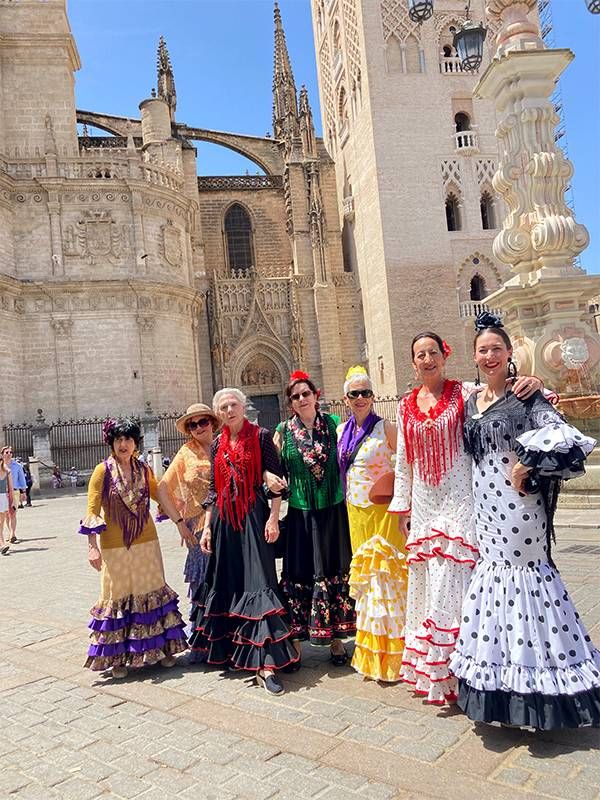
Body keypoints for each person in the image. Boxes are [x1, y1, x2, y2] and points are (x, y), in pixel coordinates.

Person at [449, 313, 600, 729]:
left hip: (519, 511)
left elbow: (565, 436)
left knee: (525, 584)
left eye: (497, 348)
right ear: (475, 356)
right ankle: (505, 686)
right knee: (495, 588)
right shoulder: (470, 400)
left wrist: (527, 466)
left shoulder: (526, 395)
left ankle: (541, 690)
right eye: (483, 349)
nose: (490, 355)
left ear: (510, 353)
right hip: (486, 511)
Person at [388, 333, 543, 704]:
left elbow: (502, 393)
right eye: (420, 355)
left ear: (445, 355)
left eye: (433, 353)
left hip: (460, 496)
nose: (427, 360)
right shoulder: (405, 405)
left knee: (455, 577)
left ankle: (465, 669)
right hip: (426, 501)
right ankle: (436, 673)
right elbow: (403, 461)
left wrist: (534, 383)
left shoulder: (466, 394)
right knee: (431, 579)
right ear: (413, 362)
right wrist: (402, 506)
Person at [190, 388, 298, 695]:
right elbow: (213, 490)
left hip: (253, 518)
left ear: (242, 407)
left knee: (259, 584)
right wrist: (207, 528)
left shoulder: (261, 436)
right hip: (224, 522)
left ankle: (266, 663)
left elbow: (276, 481)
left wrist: (274, 518)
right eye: (223, 406)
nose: (229, 409)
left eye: (233, 404)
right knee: (231, 584)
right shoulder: (217, 445)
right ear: (219, 413)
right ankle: (236, 653)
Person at [79, 417, 193, 679]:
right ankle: (118, 657)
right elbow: (92, 509)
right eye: (118, 439)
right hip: (114, 546)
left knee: (150, 592)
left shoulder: (143, 469)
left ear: (135, 443)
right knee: (117, 596)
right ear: (111, 442)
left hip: (146, 542)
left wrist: (180, 516)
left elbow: (160, 494)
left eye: (128, 439)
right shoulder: (102, 471)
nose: (124, 444)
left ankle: (162, 650)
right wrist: (91, 547)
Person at [273, 371, 355, 668]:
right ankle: (296, 644)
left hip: (333, 510)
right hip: (300, 514)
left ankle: (335, 639)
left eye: (306, 393)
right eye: (295, 396)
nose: (302, 399)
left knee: (334, 569)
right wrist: (270, 479)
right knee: (299, 573)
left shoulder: (335, 425)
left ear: (316, 395)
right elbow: (273, 470)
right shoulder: (283, 431)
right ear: (290, 403)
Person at [337, 365, 407, 682]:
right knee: (367, 586)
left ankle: (397, 655)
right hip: (356, 515)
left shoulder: (387, 428)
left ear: (373, 397)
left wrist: (404, 507)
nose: (361, 398)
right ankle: (372, 654)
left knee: (385, 580)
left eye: (366, 393)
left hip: (383, 515)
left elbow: (406, 466)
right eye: (355, 394)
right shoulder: (341, 432)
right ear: (346, 399)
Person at [158, 403, 218, 602]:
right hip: (198, 525)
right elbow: (162, 488)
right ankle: (203, 628)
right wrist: (179, 523)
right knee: (203, 577)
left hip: (226, 520)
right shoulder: (186, 452)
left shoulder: (224, 445)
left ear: (212, 423)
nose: (199, 428)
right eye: (193, 425)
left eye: (203, 422)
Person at [1, 446, 26, 544]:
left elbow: (21, 479)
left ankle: (13, 534)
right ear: (2, 454)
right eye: (6, 452)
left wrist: (23, 492)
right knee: (6, 515)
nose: (9, 454)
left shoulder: (17, 466)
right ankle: (9, 532)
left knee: (13, 513)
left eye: (10, 452)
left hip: (14, 492)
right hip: (3, 492)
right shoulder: (0, 466)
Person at [0, 449, 14, 554]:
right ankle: (2, 544)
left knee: (2, 522)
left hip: (3, 497)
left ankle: (2, 543)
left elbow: (11, 488)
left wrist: (12, 501)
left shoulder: (7, 471)